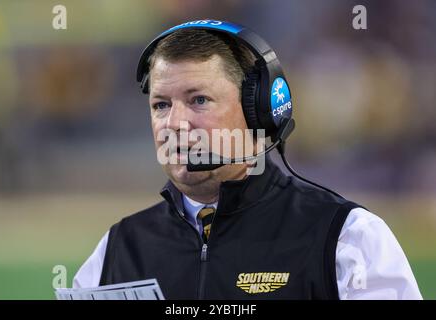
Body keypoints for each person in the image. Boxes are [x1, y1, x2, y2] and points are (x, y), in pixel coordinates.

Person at [73, 20, 422, 299]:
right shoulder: (115, 252)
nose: (174, 124)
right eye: (161, 105)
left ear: (259, 112)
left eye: (199, 100)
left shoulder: (347, 239)